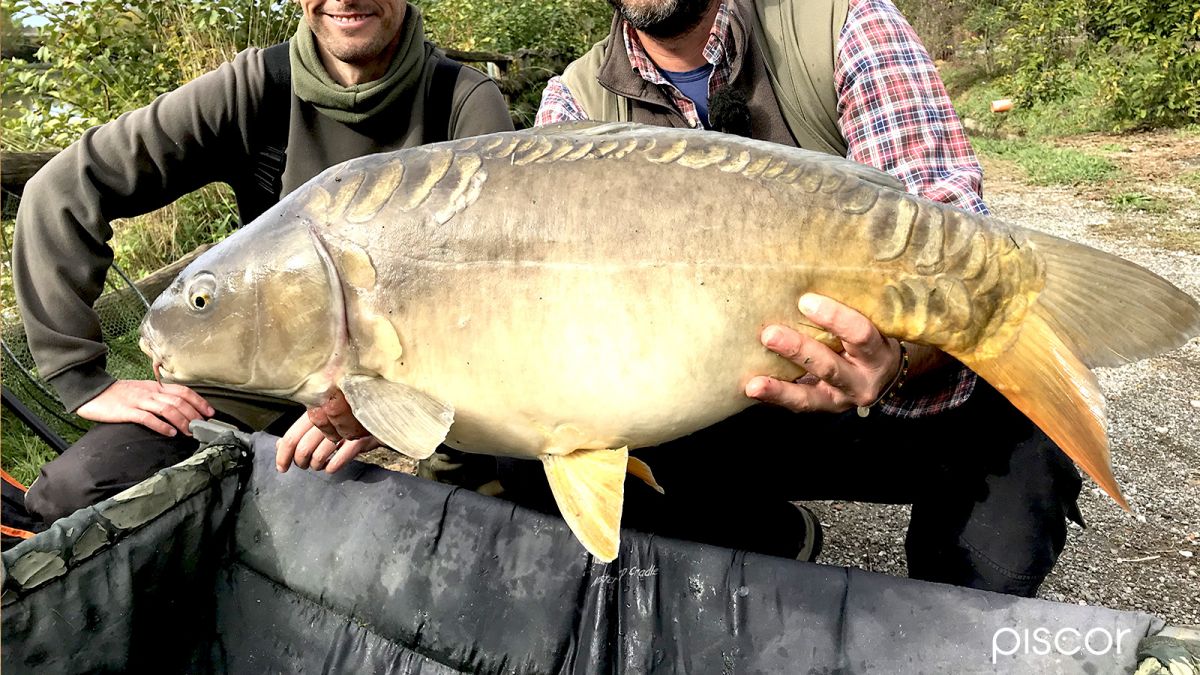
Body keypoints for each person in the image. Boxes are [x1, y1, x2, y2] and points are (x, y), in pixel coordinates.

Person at [507, 0, 1082, 596]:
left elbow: (949, 244)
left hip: (875, 389)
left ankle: (958, 628)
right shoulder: (576, 100)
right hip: (710, 408)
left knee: (1021, 403)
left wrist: (904, 362)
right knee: (524, 448)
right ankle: (763, 538)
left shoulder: (842, 23)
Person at [12, 0, 514, 524]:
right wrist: (80, 378)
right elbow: (63, 188)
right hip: (261, 373)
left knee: (489, 507)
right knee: (76, 492)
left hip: (423, 376)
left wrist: (375, 406)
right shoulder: (256, 87)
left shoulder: (461, 99)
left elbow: (504, 300)